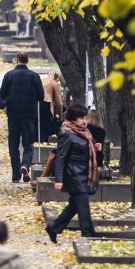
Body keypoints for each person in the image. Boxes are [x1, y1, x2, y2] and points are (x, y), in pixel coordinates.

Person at [47, 103, 99, 241]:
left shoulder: (83, 132)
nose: (84, 121)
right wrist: (58, 180)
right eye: (81, 118)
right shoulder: (66, 133)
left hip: (84, 174)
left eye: (85, 117)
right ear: (73, 118)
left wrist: (95, 147)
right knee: (83, 205)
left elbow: (84, 150)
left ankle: (53, 228)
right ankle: (88, 235)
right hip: (73, 175)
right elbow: (60, 158)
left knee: (75, 205)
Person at [0, 52, 44, 183]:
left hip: (13, 114)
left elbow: (2, 94)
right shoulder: (34, 76)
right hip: (29, 114)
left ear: (17, 59)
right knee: (28, 144)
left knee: (13, 144)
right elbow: (41, 97)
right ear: (27, 60)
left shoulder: (9, 76)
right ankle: (25, 164)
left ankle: (15, 174)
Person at [40, 71, 64, 142]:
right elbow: (59, 102)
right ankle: (44, 142)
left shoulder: (41, 81)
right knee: (46, 128)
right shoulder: (54, 83)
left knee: (40, 127)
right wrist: (60, 114)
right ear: (56, 78)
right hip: (48, 106)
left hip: (37, 106)